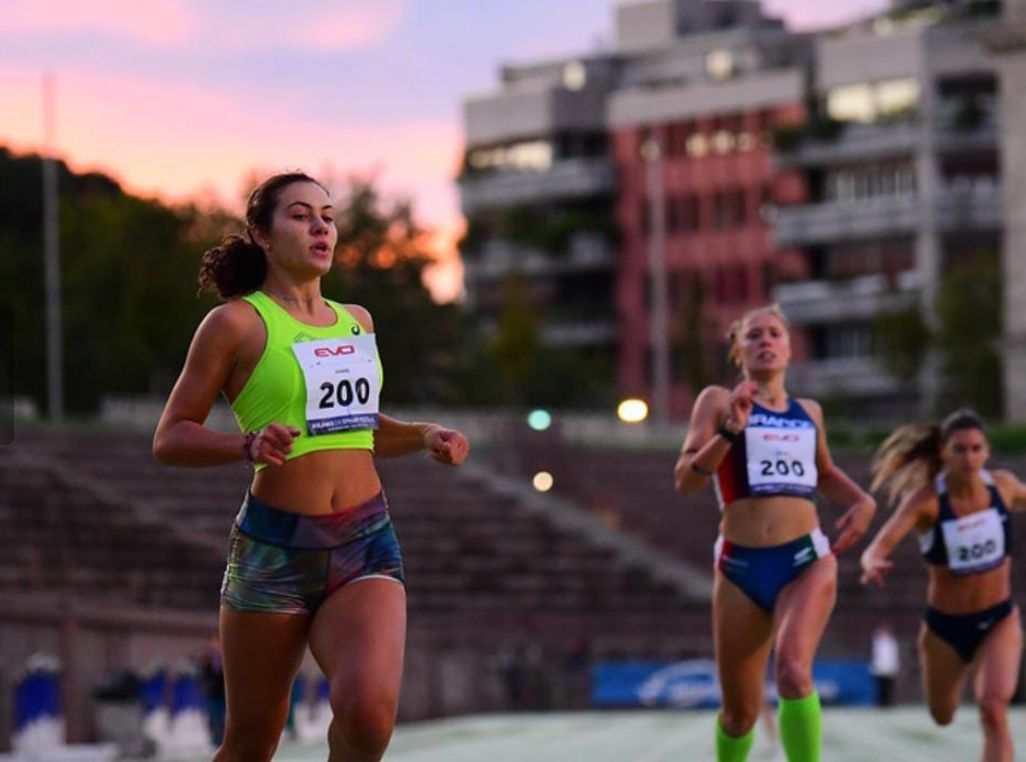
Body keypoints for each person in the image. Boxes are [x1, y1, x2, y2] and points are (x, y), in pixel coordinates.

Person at [152, 171, 470, 762]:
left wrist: (426, 434)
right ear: (261, 234)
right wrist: (243, 446)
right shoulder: (235, 324)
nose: (320, 225)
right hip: (274, 550)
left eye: (327, 214)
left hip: (364, 541)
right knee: (250, 745)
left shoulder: (357, 321)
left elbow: (361, 430)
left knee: (370, 717)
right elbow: (170, 438)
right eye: (300, 215)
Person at [674, 304, 876, 762]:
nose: (765, 341)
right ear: (738, 351)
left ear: (789, 347)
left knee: (792, 672)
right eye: (754, 336)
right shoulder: (717, 402)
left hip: (805, 559)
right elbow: (685, 481)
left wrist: (863, 501)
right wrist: (728, 433)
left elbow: (822, 473)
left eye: (774, 334)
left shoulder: (810, 413)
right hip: (740, 568)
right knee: (738, 716)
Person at [860, 409, 1026, 762]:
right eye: (959, 449)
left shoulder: (1004, 487)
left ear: (987, 451)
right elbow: (880, 544)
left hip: (999, 619)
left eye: (976, 448)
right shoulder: (927, 502)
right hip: (945, 628)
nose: (969, 457)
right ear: (943, 452)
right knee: (943, 715)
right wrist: (872, 561)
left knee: (993, 709)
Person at [869, 623, 899, 707]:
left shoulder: (892, 642)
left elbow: (893, 656)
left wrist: (895, 667)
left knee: (889, 687)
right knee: (880, 687)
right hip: (880, 668)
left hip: (890, 668)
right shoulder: (879, 642)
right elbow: (875, 635)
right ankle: (880, 703)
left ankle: (888, 702)